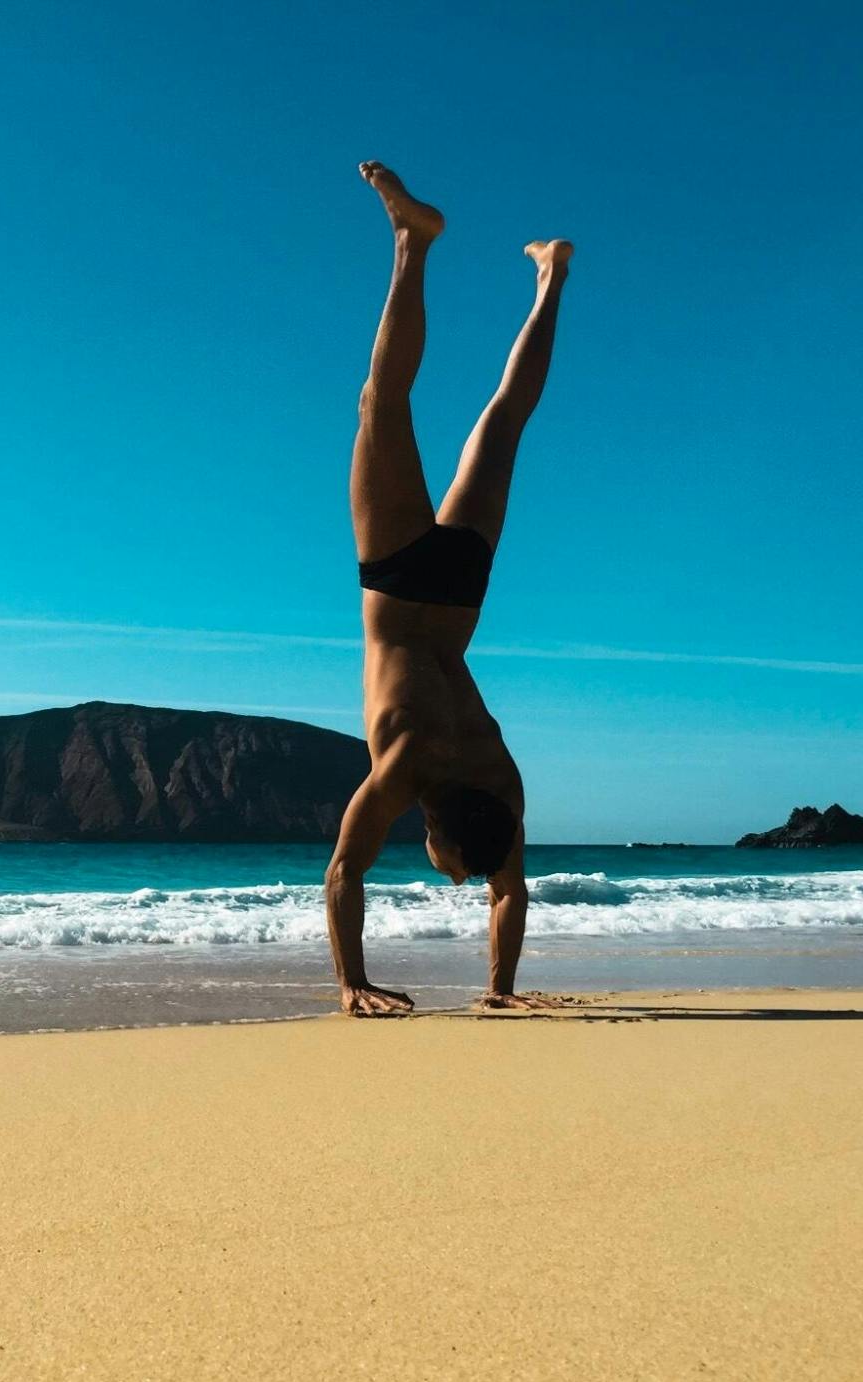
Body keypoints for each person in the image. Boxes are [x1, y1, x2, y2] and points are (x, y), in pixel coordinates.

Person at [325, 161, 572, 1016]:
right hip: (397, 588)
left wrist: (501, 990)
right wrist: (351, 983)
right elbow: (345, 869)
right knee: (381, 404)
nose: (460, 882)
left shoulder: (503, 785)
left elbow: (511, 889)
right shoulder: (409, 767)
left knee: (505, 419)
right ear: (434, 831)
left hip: (460, 597)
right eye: (451, 869)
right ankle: (411, 242)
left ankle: (551, 277)